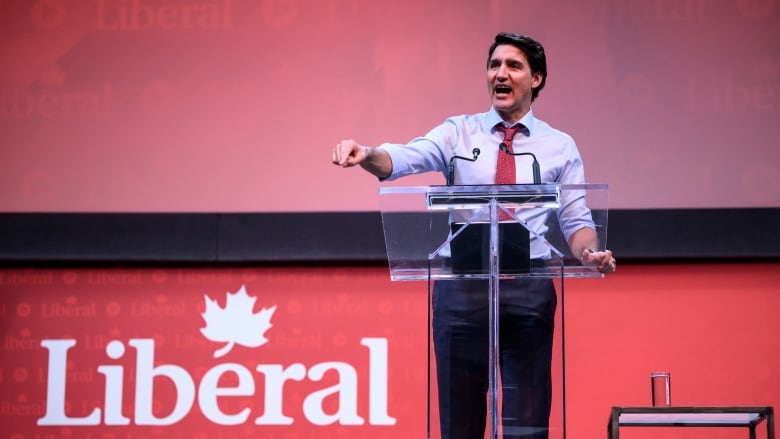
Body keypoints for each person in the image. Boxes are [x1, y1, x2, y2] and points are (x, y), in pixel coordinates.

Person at [332, 32, 616, 439]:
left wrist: (589, 253)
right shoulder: (457, 134)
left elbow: (575, 220)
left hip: (529, 286)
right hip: (461, 289)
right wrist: (367, 153)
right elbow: (400, 159)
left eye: (513, 66)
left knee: (528, 420)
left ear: (536, 79)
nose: (500, 73)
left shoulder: (560, 146)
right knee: (459, 420)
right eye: (494, 65)